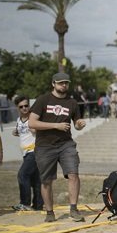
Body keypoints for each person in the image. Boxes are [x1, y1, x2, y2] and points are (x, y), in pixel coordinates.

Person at [29, 72, 86, 223]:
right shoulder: (43, 100)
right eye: (61, 83)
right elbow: (32, 123)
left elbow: (77, 123)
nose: (64, 85)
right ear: (53, 84)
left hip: (66, 144)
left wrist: (80, 124)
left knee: (73, 174)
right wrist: (55, 125)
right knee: (46, 180)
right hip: (45, 146)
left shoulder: (72, 102)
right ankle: (49, 212)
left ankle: (73, 209)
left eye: (66, 83)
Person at [11, 96, 43, 211]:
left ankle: (25, 203)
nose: (24, 108)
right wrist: (16, 132)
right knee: (36, 180)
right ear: (17, 108)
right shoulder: (19, 120)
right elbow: (23, 131)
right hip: (25, 152)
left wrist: (35, 129)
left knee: (22, 175)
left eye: (26, 105)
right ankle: (38, 205)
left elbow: (40, 131)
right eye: (21, 106)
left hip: (34, 151)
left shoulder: (33, 118)